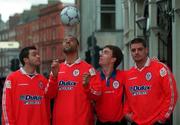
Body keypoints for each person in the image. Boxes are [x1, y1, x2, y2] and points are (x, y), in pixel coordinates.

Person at [124, 38, 178, 125]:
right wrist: (126, 113)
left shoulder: (161, 68)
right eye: (133, 50)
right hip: (136, 123)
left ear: (146, 50)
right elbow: (127, 100)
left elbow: (172, 95)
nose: (136, 52)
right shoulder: (128, 74)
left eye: (140, 49)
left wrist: (162, 119)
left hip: (157, 122)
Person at [49, 35, 99, 125]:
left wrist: (86, 86)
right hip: (60, 122)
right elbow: (49, 95)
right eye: (65, 40)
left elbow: (97, 95)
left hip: (82, 121)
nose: (67, 42)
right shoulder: (57, 68)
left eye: (71, 40)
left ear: (78, 45)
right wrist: (54, 77)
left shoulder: (89, 69)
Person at [2, 46, 50, 125]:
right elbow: (6, 105)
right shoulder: (12, 78)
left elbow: (47, 106)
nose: (38, 56)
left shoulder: (43, 80)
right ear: (26, 60)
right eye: (34, 55)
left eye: (38, 54)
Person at [93, 45, 127, 125]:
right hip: (100, 122)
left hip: (119, 122)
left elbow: (140, 75)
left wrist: (153, 64)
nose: (101, 54)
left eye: (105, 52)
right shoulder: (94, 77)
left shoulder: (123, 75)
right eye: (102, 52)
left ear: (113, 59)